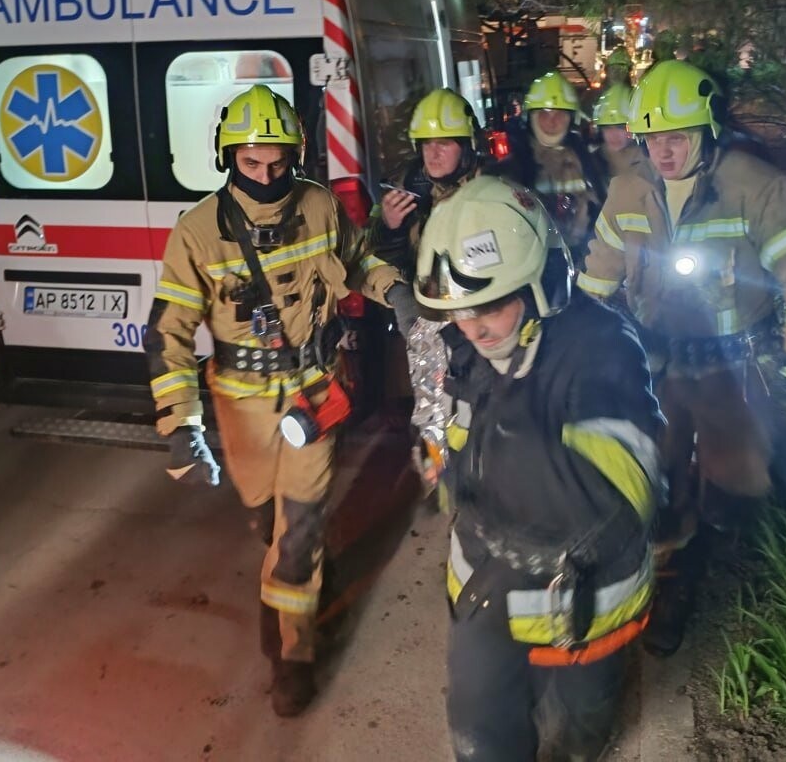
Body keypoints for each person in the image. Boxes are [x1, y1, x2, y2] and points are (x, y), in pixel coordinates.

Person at [143, 85, 414, 717]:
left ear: (296, 157)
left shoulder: (319, 205)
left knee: (297, 534)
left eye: (278, 163)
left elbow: (359, 259)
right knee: (268, 522)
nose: (266, 177)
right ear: (227, 157)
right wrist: (180, 425)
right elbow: (168, 333)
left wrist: (395, 290)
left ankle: (291, 655)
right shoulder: (198, 232)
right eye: (251, 163)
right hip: (241, 408)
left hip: (315, 391)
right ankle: (298, 568)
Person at [577, 59, 786, 656]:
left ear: (708, 130)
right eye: (653, 139)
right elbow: (598, 277)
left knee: (736, 487)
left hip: (734, 364)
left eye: (678, 137)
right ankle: (672, 581)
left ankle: (724, 529)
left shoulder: (754, 186)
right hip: (658, 364)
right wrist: (576, 349)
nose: (664, 152)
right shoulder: (629, 190)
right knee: (658, 480)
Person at [415, 175, 664, 762]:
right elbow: (456, 437)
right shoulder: (466, 347)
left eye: (489, 307)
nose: (472, 328)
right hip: (484, 592)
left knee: (582, 727)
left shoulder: (601, 350)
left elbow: (626, 489)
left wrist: (518, 442)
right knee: (479, 730)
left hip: (581, 600)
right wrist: (444, 467)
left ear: (539, 284)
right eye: (458, 312)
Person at [492, 71, 606, 261]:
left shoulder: (585, 158)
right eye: (544, 114)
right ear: (531, 118)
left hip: (582, 254)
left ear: (571, 119)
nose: (552, 122)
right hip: (535, 259)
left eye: (559, 114)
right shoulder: (513, 166)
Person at [370, 88, 483, 277]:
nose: (433, 153)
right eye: (426, 143)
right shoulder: (405, 186)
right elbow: (379, 261)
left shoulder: (490, 186)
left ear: (467, 145)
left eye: (443, 143)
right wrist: (390, 229)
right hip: (426, 291)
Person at [592, 82, 640, 189]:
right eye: (607, 127)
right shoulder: (592, 161)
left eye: (620, 127)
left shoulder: (651, 159)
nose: (613, 135)